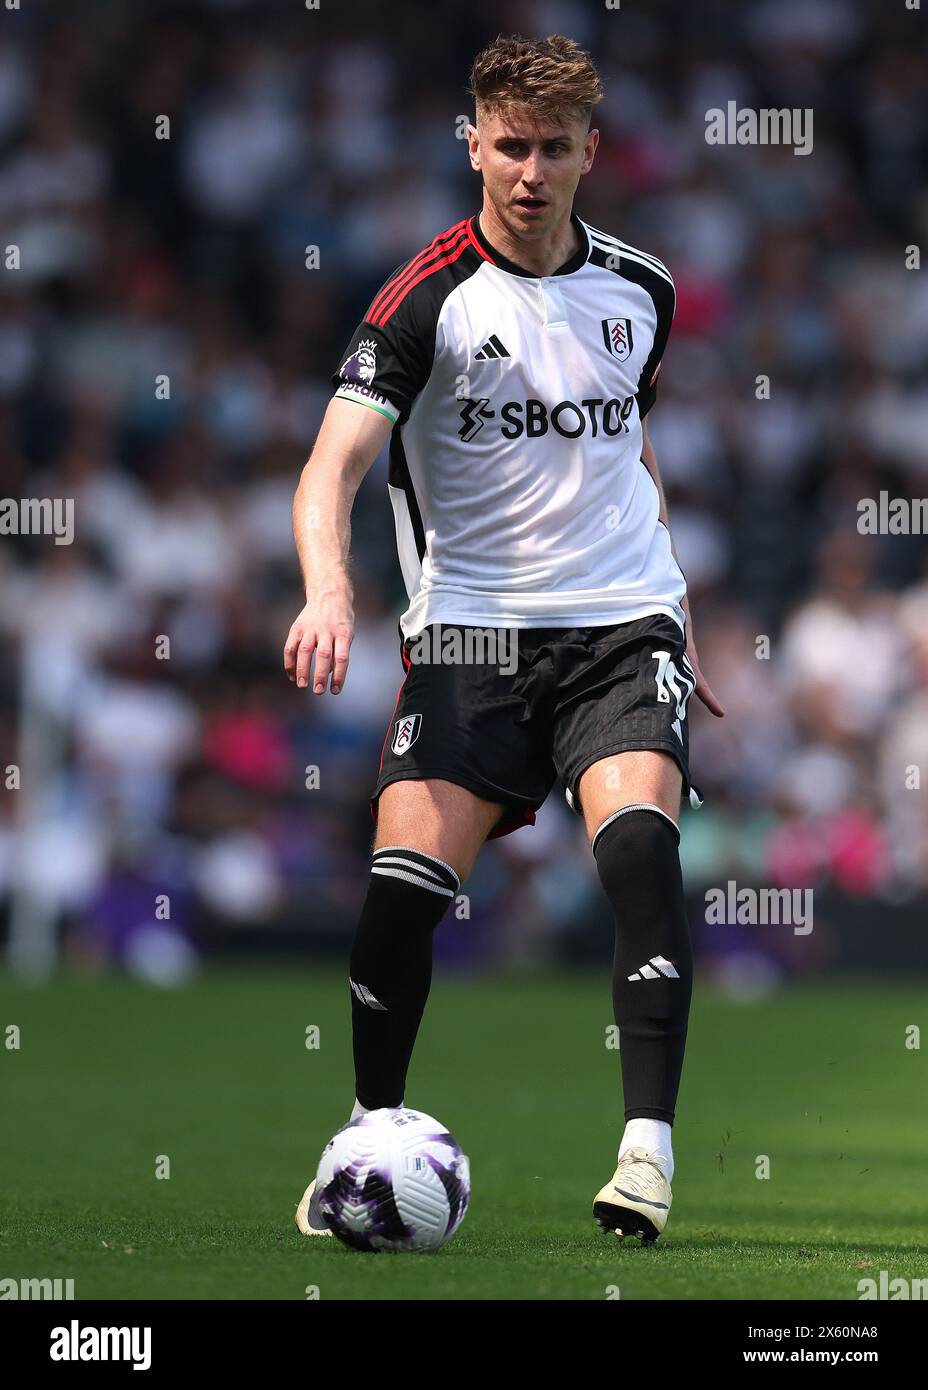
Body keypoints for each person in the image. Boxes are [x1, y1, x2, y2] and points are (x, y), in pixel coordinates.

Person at [285, 33, 724, 1244]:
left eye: (554, 147)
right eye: (509, 145)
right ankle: (372, 1137)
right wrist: (329, 591)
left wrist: (670, 589)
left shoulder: (644, 290)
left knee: (639, 853)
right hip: (470, 635)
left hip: (618, 626)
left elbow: (623, 448)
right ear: (470, 143)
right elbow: (330, 467)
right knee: (398, 904)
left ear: (592, 150)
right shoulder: (420, 298)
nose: (530, 170)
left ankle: (645, 1155)